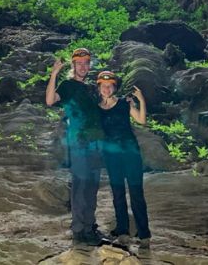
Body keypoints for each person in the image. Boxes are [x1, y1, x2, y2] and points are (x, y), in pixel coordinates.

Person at [45, 48, 105, 246]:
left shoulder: (91, 88)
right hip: (78, 142)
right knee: (80, 184)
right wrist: (54, 73)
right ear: (73, 66)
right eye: (79, 63)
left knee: (92, 185)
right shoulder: (68, 86)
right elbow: (50, 100)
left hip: (96, 141)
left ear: (89, 66)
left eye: (86, 63)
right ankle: (79, 231)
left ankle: (89, 226)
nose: (83, 67)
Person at [95, 70, 151, 249]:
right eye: (103, 86)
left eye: (110, 85)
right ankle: (123, 231)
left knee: (136, 194)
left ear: (115, 87)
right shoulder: (96, 108)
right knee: (118, 195)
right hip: (111, 157)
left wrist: (141, 100)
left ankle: (144, 234)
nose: (106, 88)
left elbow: (141, 121)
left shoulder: (124, 103)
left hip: (130, 154)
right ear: (99, 88)